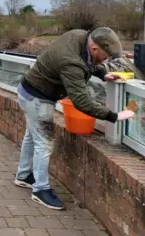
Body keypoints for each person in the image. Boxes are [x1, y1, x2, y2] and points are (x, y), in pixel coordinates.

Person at [14, 27, 135, 210]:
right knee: (44, 143)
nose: (107, 59)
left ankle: (23, 176)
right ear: (95, 48)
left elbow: (87, 61)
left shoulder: (80, 36)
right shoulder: (71, 62)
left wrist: (102, 73)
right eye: (106, 55)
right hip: (37, 99)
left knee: (32, 137)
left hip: (28, 91)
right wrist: (114, 116)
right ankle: (40, 190)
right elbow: (81, 101)